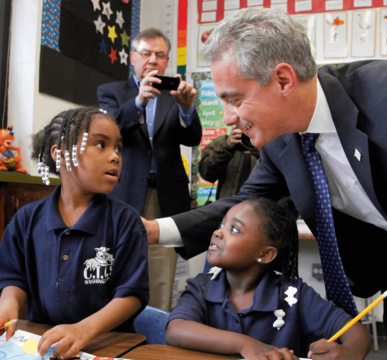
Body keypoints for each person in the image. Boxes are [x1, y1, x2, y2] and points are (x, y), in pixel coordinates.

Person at [143, 8, 387, 360]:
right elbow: (246, 203)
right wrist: (154, 230)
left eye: (235, 99)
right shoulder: (280, 143)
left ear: (284, 80)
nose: (229, 117)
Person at [0, 107, 149, 359]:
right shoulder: (26, 219)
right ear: (60, 154)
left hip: (109, 346)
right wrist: (9, 305)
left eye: (118, 148)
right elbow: (14, 277)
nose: (115, 156)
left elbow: (132, 294)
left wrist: (84, 330)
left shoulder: (126, 221)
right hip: (45, 345)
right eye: (100, 144)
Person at [165, 197, 370, 360]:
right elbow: (176, 330)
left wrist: (350, 353)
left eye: (234, 229)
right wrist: (246, 344)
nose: (218, 232)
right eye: (222, 224)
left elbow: (357, 333)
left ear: (265, 254)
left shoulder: (294, 295)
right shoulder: (202, 285)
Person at [97, 28, 202, 311]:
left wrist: (187, 110)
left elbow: (193, 139)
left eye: (160, 55)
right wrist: (138, 102)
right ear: (132, 57)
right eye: (146, 53)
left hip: (166, 196)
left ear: (168, 61)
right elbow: (107, 134)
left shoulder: (175, 95)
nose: (152, 60)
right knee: (115, 262)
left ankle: (155, 335)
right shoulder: (112, 93)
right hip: (123, 192)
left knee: (161, 273)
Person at [199, 125, 259, 200]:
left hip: (260, 206)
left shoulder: (266, 142)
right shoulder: (222, 142)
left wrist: (261, 152)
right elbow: (206, 173)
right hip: (227, 206)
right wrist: (227, 146)